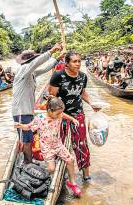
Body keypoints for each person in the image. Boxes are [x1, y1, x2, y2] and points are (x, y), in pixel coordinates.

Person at [15, 96, 82, 197]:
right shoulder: (40, 119)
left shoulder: (59, 115)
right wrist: (20, 126)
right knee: (51, 169)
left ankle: (72, 183)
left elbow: (64, 115)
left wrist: (72, 119)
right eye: (57, 113)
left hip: (58, 145)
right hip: (47, 148)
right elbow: (29, 126)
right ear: (50, 110)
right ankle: (45, 182)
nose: (60, 115)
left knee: (70, 160)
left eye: (60, 112)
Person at [13, 43, 64, 164]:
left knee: (29, 137)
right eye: (34, 59)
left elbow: (44, 68)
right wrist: (51, 50)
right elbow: (36, 63)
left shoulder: (30, 73)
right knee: (26, 139)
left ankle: (28, 161)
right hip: (21, 111)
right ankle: (28, 163)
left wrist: (57, 59)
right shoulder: (23, 70)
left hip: (27, 110)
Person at [49, 50, 93, 182]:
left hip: (78, 114)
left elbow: (82, 93)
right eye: (75, 61)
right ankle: (59, 171)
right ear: (66, 63)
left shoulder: (83, 76)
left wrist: (92, 103)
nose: (78, 64)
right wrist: (54, 115)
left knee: (81, 143)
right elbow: (51, 96)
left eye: (79, 61)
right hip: (61, 115)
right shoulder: (58, 75)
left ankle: (86, 174)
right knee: (58, 142)